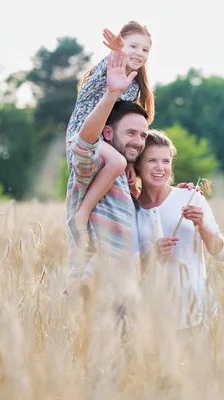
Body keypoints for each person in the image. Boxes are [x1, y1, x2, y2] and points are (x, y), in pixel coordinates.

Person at [65, 48, 149, 297]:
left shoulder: (125, 177)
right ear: (108, 133)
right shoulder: (92, 166)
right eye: (131, 133)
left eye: (143, 135)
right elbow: (85, 142)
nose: (139, 141)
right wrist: (112, 94)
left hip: (123, 291)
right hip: (94, 295)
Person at [66, 20, 155, 250]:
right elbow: (113, 67)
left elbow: (119, 127)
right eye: (133, 46)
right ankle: (81, 215)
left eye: (145, 49)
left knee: (125, 169)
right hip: (82, 137)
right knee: (118, 161)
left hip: (105, 142)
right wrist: (118, 51)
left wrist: (131, 166)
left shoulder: (133, 87)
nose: (139, 53)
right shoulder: (106, 70)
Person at [131, 130, 224, 330]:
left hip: (197, 314)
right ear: (138, 165)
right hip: (154, 320)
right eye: (152, 161)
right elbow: (125, 271)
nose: (160, 168)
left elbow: (221, 253)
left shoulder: (190, 197)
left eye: (166, 161)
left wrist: (201, 225)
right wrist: (152, 255)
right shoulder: (130, 210)